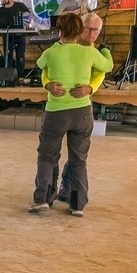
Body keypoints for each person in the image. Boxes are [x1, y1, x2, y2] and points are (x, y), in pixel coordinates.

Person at [30, 13, 113, 217]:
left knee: (47, 156)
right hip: (82, 113)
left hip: (56, 113)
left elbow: (40, 64)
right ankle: (78, 205)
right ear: (80, 31)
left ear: (59, 31)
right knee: (79, 160)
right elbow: (108, 66)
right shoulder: (89, 53)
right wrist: (105, 51)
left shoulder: (52, 52)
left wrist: (56, 47)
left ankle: (42, 199)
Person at [50, 13, 109, 204]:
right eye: (88, 29)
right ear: (79, 28)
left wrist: (90, 88)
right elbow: (45, 71)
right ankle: (49, 191)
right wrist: (48, 85)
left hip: (81, 104)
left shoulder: (95, 51)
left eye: (96, 31)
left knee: (78, 154)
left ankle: (67, 188)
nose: (92, 34)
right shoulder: (59, 46)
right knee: (50, 152)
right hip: (58, 103)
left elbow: (101, 73)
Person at [0, 0, 32, 78]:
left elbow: (28, 16)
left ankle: (20, 76)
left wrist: (25, 24)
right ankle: (9, 77)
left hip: (19, 35)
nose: (3, 4)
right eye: (2, 2)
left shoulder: (20, 6)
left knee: (20, 56)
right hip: (7, 36)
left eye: (5, 1)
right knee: (8, 56)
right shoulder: (1, 10)